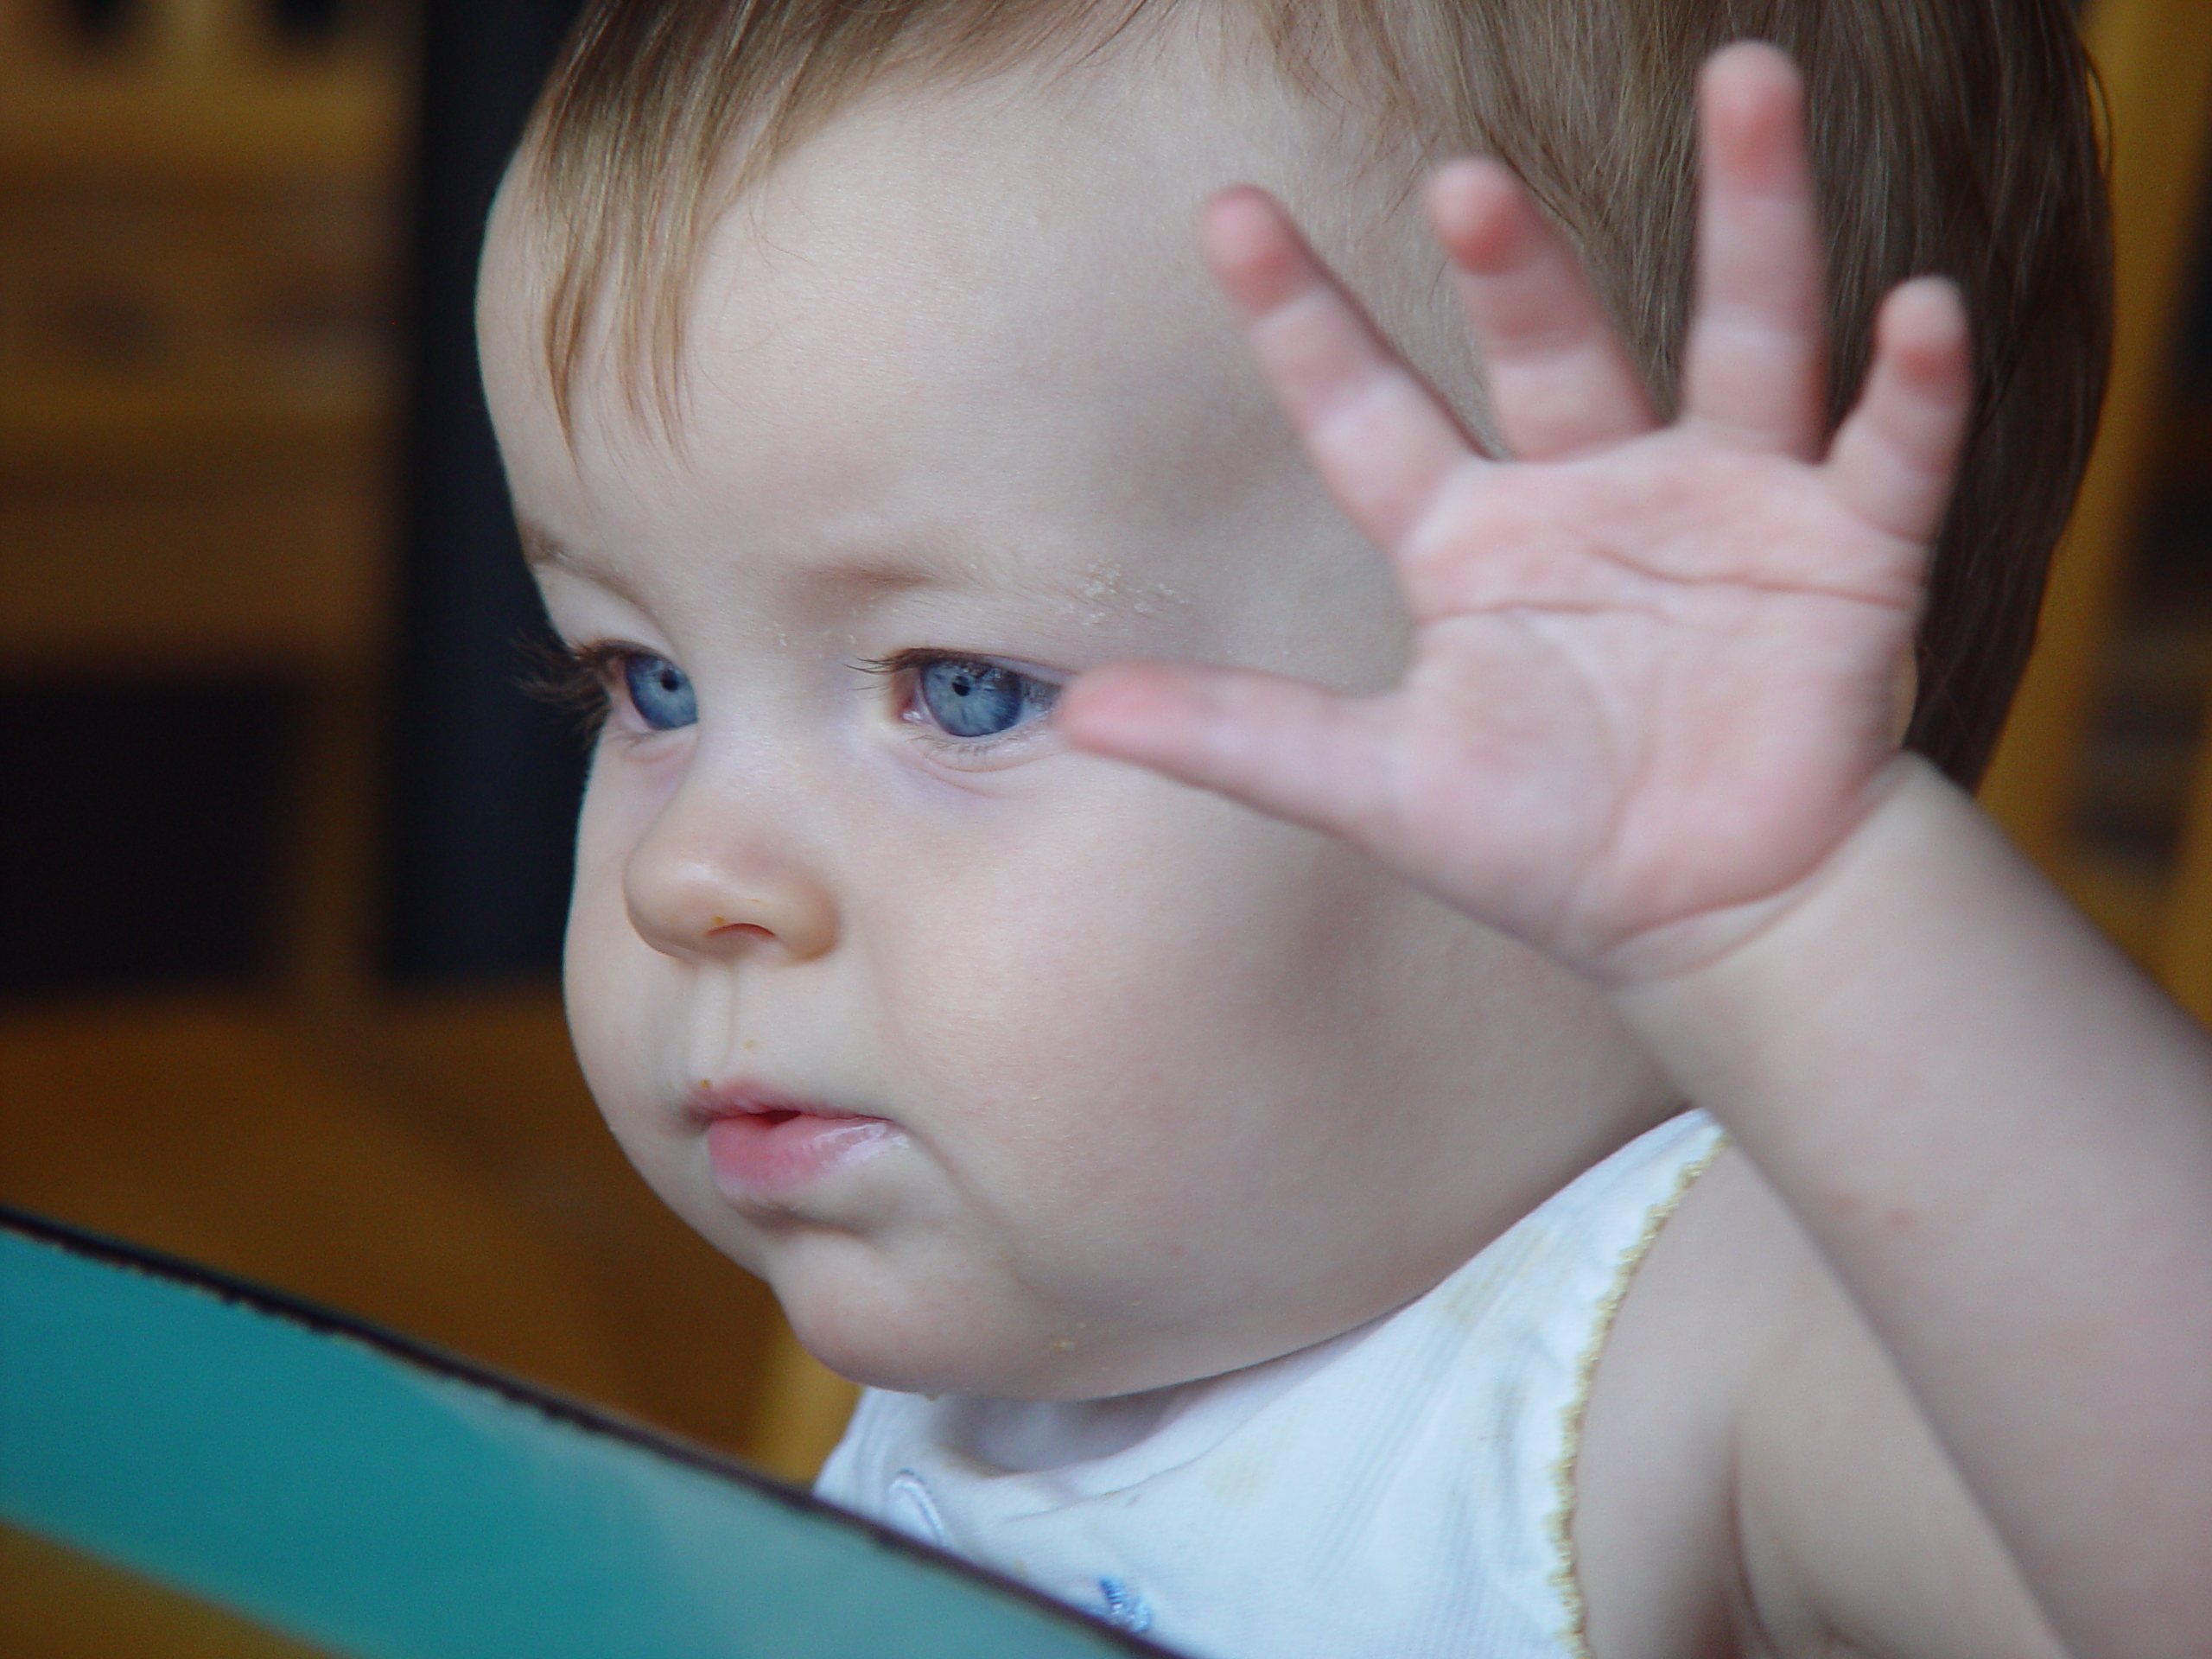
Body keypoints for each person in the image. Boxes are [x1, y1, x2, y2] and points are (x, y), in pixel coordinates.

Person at [474, 1, 2212, 1654]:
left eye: (964, 690)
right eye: (648, 686)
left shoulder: (1703, 1353)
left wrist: (1817, 919)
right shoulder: (1067, 1327)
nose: (684, 876)